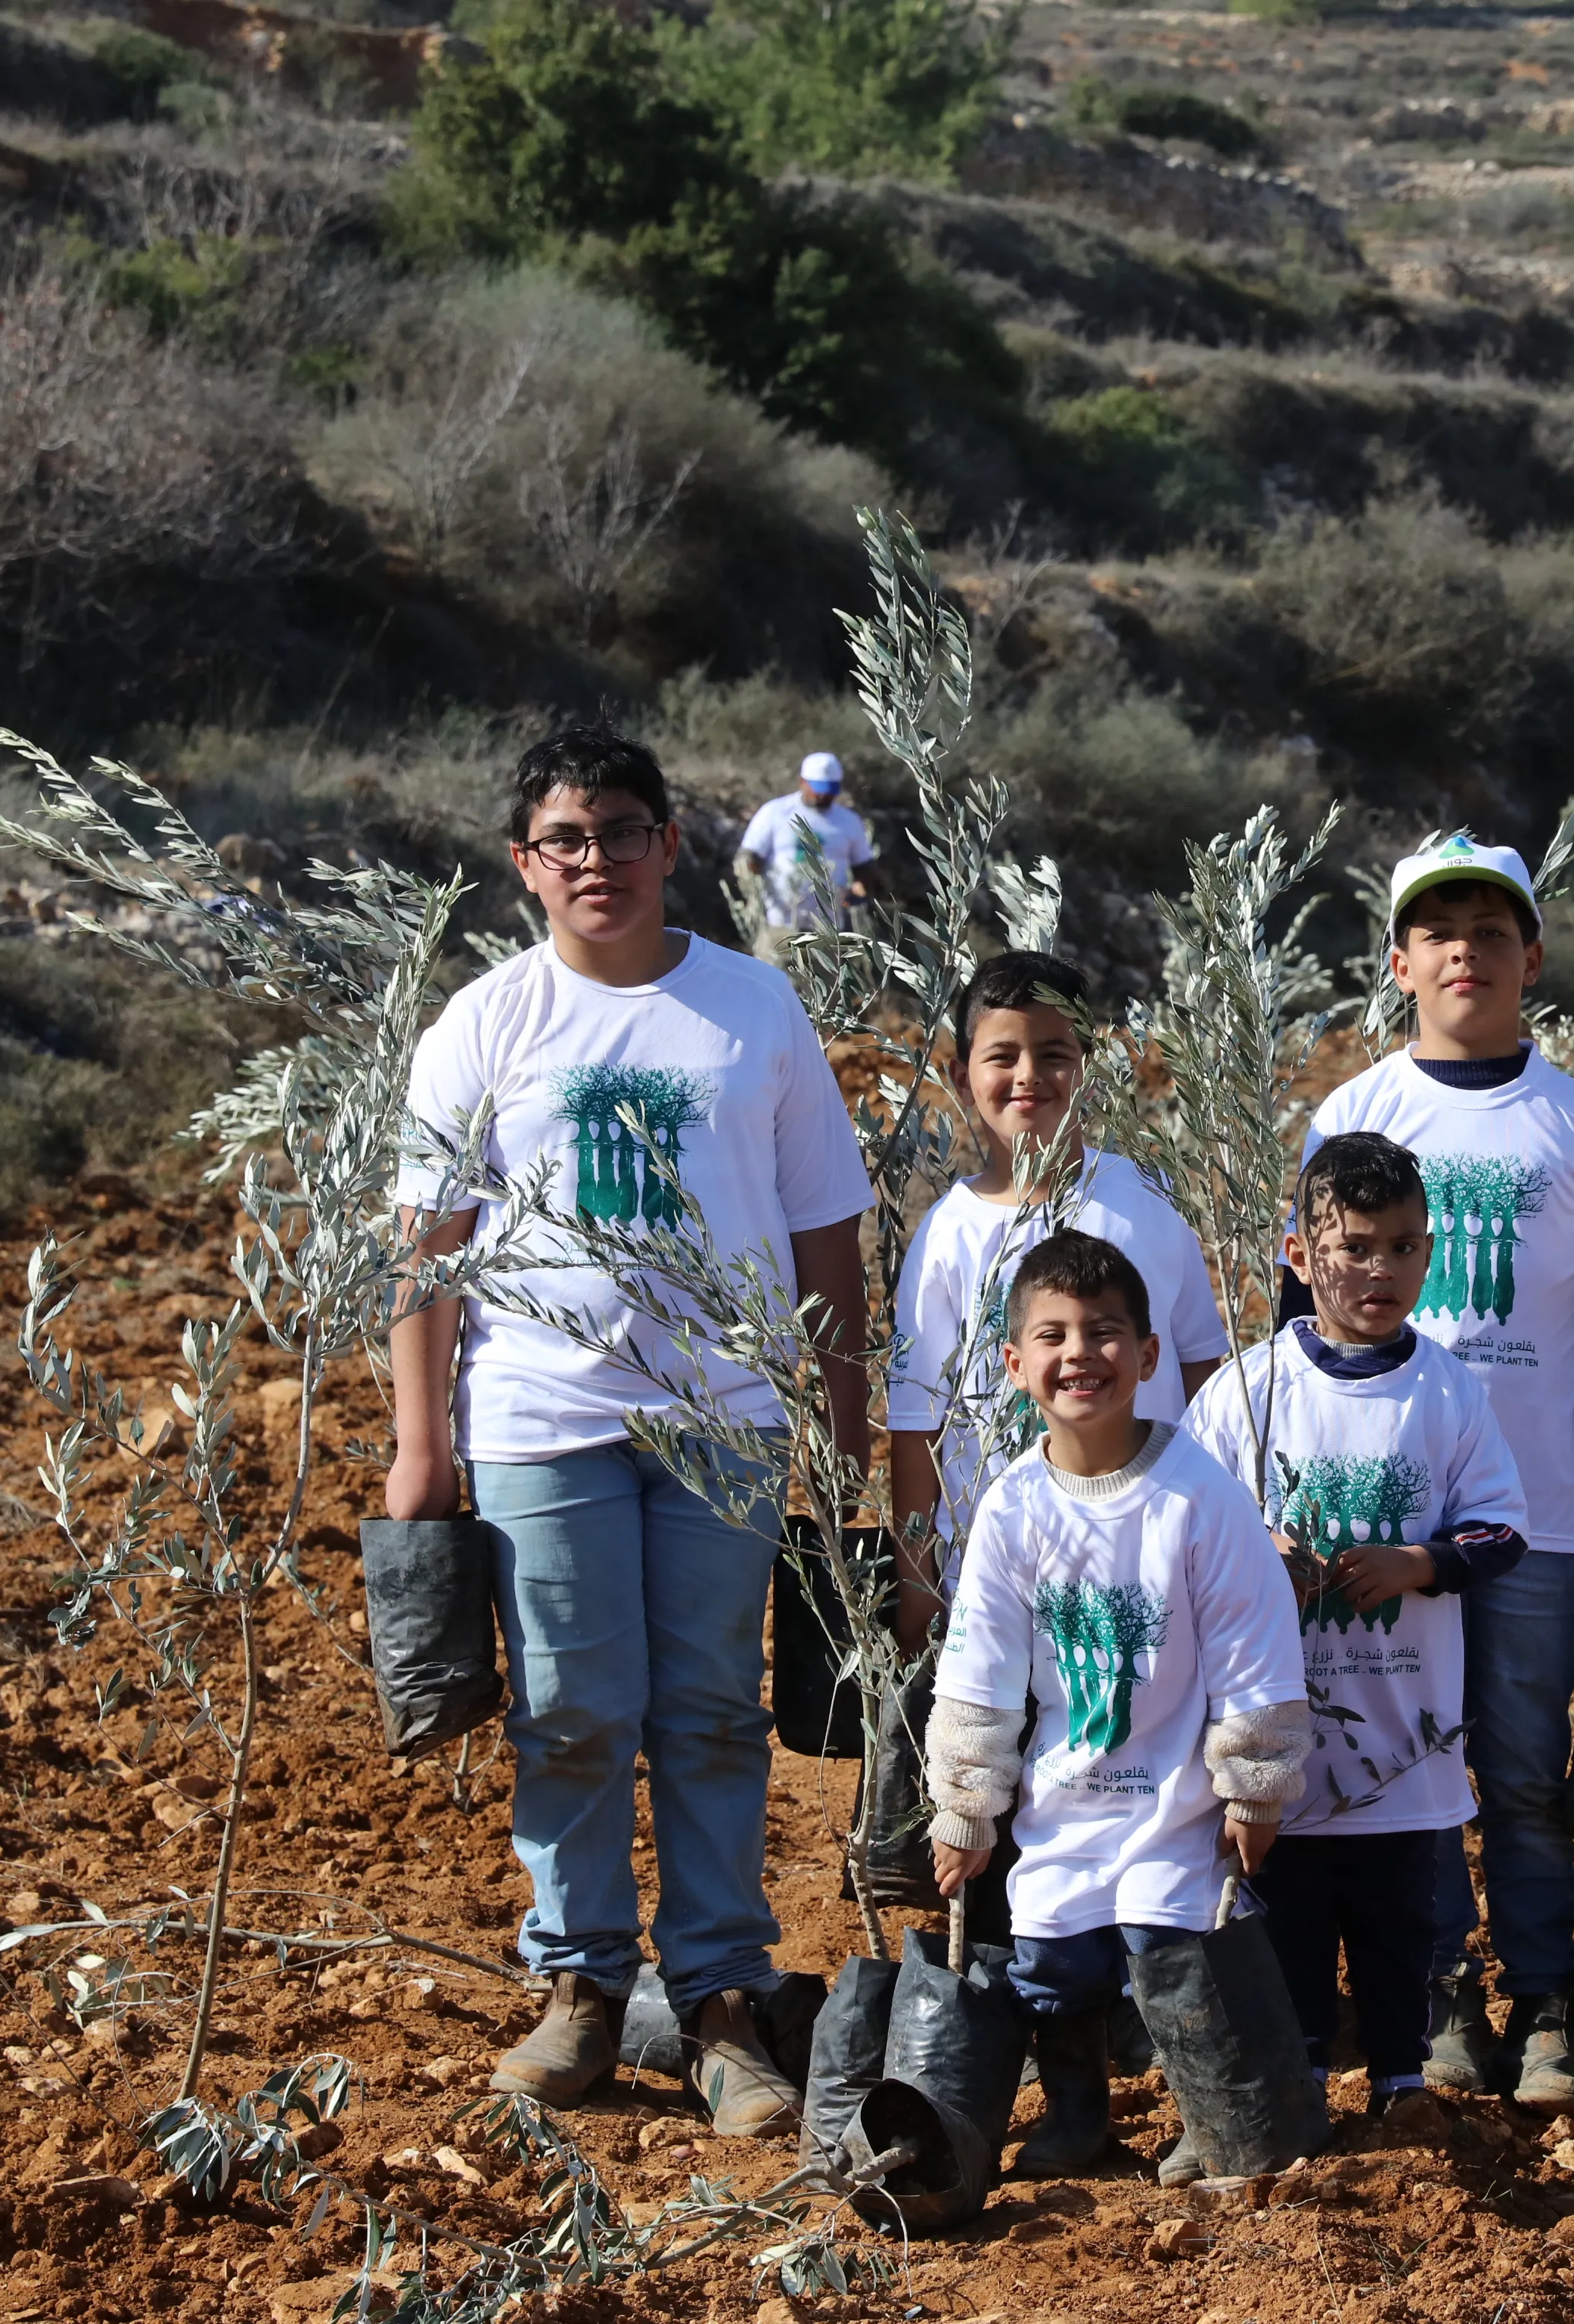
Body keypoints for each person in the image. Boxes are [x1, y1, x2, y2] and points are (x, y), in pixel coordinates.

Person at [385, 726, 873, 2136]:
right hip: (542, 1419)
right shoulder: (483, 1023)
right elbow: (424, 1252)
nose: (596, 859)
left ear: (670, 843)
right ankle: (583, 1991)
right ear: (526, 868)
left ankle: (722, 1998)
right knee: (573, 1710)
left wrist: (837, 1427)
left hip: (717, 1418)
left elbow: (825, 1234)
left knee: (713, 1711)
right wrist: (422, 1452)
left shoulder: (751, 1011)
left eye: (621, 830)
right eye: (565, 840)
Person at [1298, 834, 1574, 2124]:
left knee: (1519, 1766)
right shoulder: (1350, 1115)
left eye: (1488, 928)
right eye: (1436, 929)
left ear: (1530, 956)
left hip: (1540, 1512)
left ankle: (1546, 2000)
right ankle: (1441, 1995)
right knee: (1411, 1765)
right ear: (1398, 961)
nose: (1464, 950)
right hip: (1378, 1520)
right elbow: (1305, 1320)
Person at [921, 1229, 1312, 2180]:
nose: (1079, 1355)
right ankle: (1076, 2112)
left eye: (1104, 1333)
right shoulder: (1013, 1508)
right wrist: (968, 1803)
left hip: (1176, 1803)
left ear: (1147, 1356)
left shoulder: (1197, 1500)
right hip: (1065, 1800)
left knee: (1170, 1944)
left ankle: (1208, 2112)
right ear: (1015, 1365)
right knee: (1051, 1955)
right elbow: (979, 1670)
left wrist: (1256, 1785)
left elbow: (1254, 1650)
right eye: (1052, 1336)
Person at [1187, 1132, 1532, 2123]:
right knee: (1286, 1916)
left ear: (1429, 1254)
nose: (1379, 1270)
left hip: (1406, 1741)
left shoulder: (1447, 1389)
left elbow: (1503, 1531)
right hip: (1280, 1747)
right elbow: (1184, 1537)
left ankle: (1401, 2082)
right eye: (1353, 1247)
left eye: (1402, 1247)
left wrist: (1419, 1564)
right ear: (1300, 1254)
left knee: (1398, 1924)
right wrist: (1260, 1559)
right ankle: (1295, 2090)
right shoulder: (1247, 1395)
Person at [889, 952, 1233, 1654]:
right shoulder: (948, 1235)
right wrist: (920, 1589)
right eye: (1002, 1056)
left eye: (1054, 1054)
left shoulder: (1146, 1205)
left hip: (1151, 1557)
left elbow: (1207, 1375)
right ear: (961, 1075)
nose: (1028, 1077)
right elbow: (917, 1422)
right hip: (997, 1571)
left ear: (1090, 1067)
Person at [740, 750, 875, 965]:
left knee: (826, 994)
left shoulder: (848, 821)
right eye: (818, 789)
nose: (823, 796)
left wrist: (859, 892)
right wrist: (752, 885)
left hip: (827, 930)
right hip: (780, 925)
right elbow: (749, 856)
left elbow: (865, 868)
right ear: (802, 782)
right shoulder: (775, 813)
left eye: (830, 791)